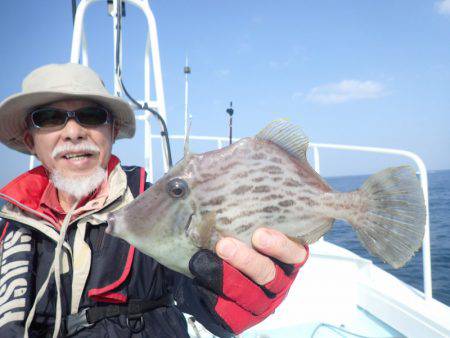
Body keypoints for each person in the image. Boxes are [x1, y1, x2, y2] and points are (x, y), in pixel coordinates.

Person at [0, 63, 308, 337]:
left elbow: (193, 285)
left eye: (91, 116)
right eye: (49, 118)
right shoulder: (10, 224)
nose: (73, 131)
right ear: (30, 139)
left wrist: (239, 298)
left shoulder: (150, 204)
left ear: (113, 129)